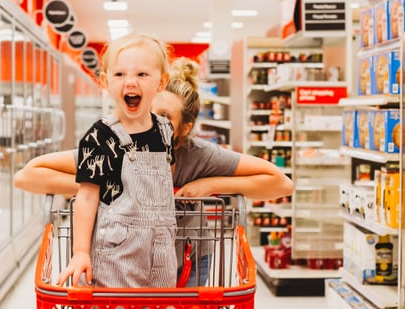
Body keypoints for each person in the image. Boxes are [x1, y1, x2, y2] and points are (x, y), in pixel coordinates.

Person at [16, 56, 294, 286]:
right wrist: (95, 186)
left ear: (185, 129)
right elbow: (27, 175)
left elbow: (280, 183)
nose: (154, 121)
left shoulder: (197, 156)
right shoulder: (115, 144)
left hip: (188, 260)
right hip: (125, 263)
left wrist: (210, 185)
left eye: (166, 117)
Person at [57, 33, 178, 289]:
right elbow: (87, 197)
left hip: (162, 251)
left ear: (161, 82)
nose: (130, 82)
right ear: (105, 81)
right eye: (120, 74)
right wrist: (81, 252)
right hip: (117, 253)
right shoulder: (99, 136)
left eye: (142, 74)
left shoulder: (166, 130)